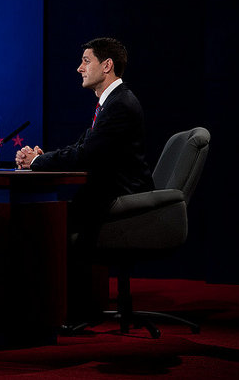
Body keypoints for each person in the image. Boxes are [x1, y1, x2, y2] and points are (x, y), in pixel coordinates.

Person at [15, 37, 154, 322]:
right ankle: (70, 307)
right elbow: (83, 147)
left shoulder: (119, 105)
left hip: (120, 198)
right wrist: (42, 156)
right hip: (108, 192)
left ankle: (60, 311)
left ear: (107, 66)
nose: (79, 68)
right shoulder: (111, 103)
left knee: (49, 223)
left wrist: (38, 162)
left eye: (86, 61)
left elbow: (87, 154)